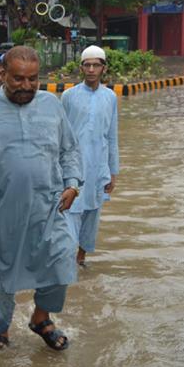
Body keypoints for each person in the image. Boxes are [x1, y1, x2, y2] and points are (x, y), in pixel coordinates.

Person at [0, 46, 82, 352]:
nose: (27, 86)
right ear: (3, 75)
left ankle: (41, 317)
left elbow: (69, 149)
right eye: (18, 79)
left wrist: (72, 184)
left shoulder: (52, 105)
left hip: (48, 206)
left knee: (62, 258)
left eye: (33, 79)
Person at [61, 45, 120, 267]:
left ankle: (81, 257)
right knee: (70, 212)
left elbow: (112, 136)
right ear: (81, 68)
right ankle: (67, 261)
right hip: (73, 167)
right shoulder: (68, 96)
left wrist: (113, 172)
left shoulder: (110, 97)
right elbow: (61, 134)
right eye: (88, 65)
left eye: (96, 65)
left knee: (92, 214)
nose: (92, 69)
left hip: (98, 167)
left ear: (103, 68)